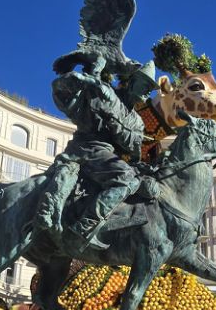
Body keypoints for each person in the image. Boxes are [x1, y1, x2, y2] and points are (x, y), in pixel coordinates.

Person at [34, 61, 159, 251]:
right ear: (133, 81)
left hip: (107, 155)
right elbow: (68, 103)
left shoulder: (137, 121)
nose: (149, 91)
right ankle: (85, 225)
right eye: (146, 84)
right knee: (126, 179)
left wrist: (118, 127)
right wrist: (83, 81)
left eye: (151, 87)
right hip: (87, 148)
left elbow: (132, 147)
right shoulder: (105, 92)